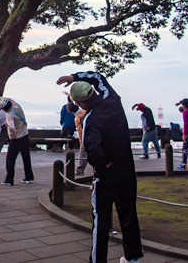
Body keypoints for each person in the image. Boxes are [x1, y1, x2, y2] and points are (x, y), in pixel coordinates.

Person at [57, 71, 143, 263]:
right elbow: (98, 77)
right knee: (128, 213)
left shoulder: (91, 118)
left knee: (101, 220)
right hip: (126, 169)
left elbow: (91, 148)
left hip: (106, 176)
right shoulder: (112, 99)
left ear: (80, 103)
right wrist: (74, 77)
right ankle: (132, 257)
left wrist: (103, 165)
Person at [0, 97, 34, 186]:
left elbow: (11, 127)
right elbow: (11, 100)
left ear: (4, 109)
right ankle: (28, 177)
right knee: (26, 157)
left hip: (17, 139)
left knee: (10, 159)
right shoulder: (18, 107)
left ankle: (9, 179)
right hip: (25, 136)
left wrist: (12, 137)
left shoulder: (9, 115)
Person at [71, 100, 88, 176]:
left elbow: (80, 132)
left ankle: (80, 171)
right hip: (94, 134)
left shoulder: (77, 118)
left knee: (82, 153)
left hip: (85, 137)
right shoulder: (85, 111)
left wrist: (81, 142)